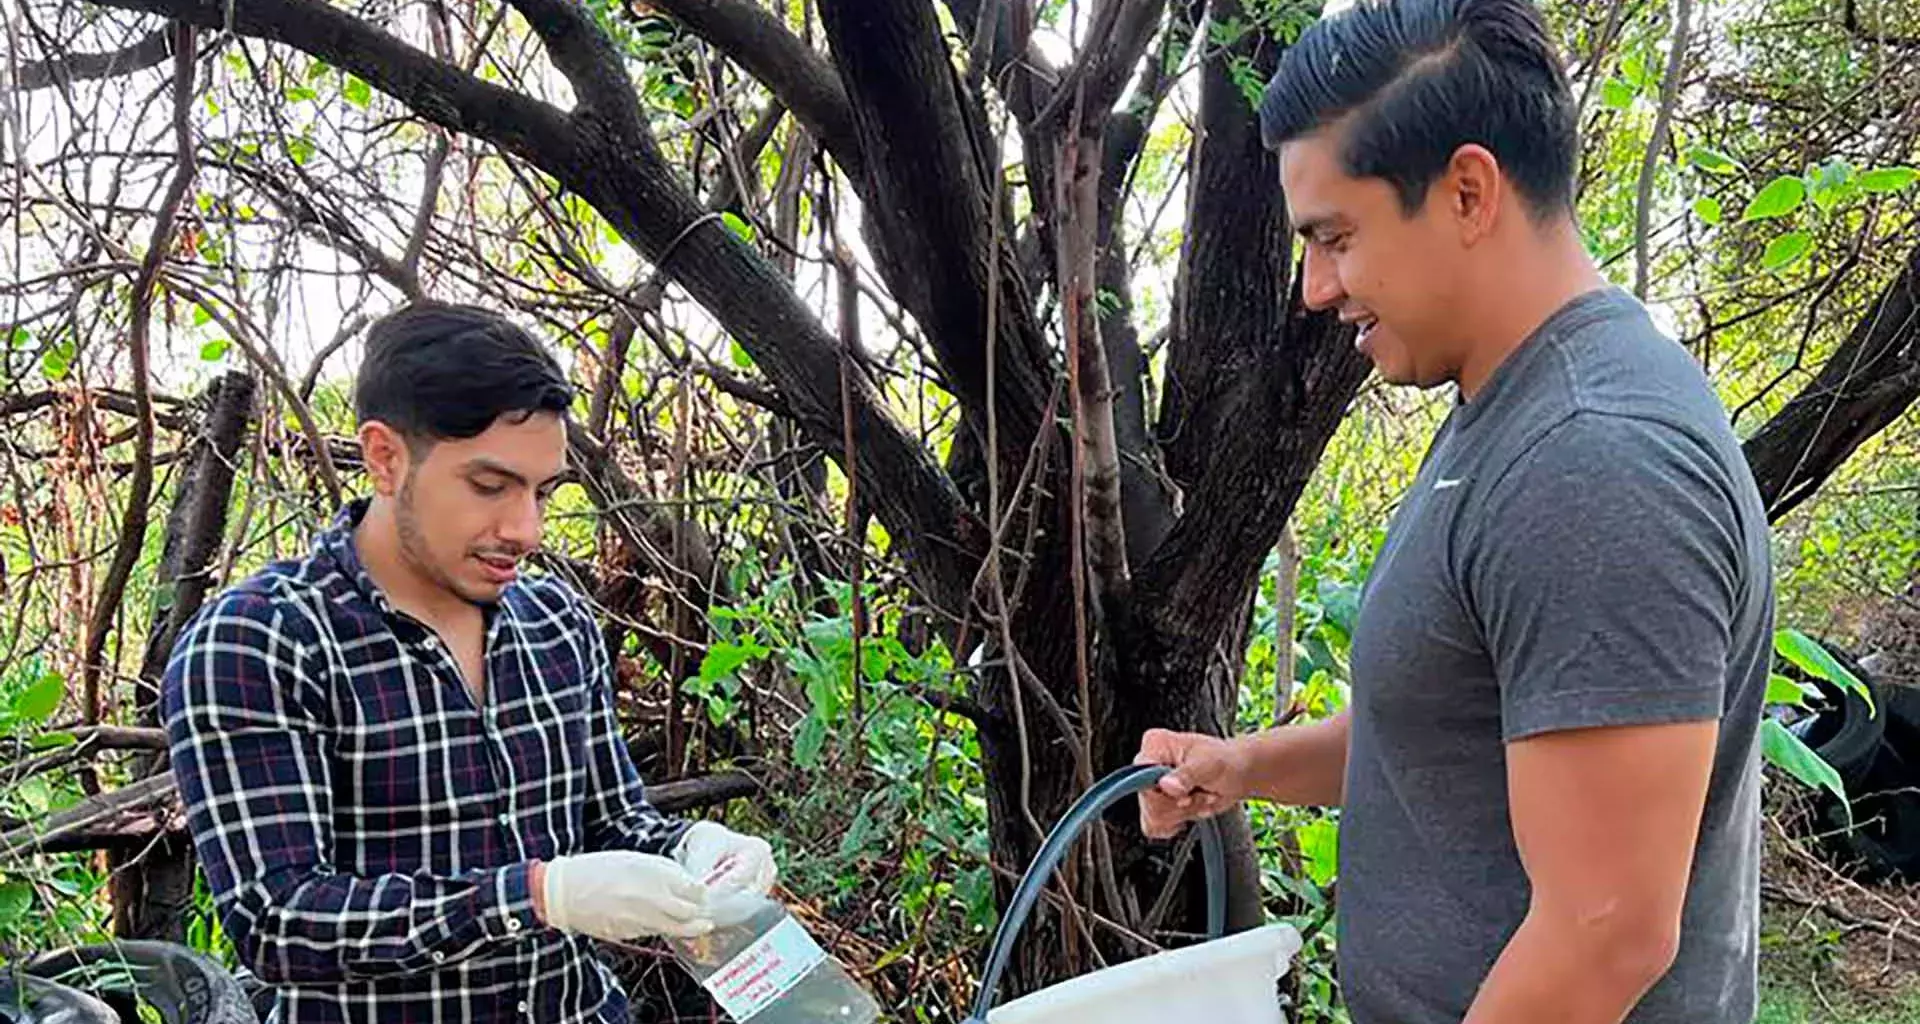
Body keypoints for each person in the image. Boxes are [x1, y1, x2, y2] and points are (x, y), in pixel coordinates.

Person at [1135, 1, 1771, 1022]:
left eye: (1336, 237)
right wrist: (1242, 767)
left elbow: (1605, 934)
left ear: (1469, 191)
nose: (1313, 287)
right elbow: (1451, 724)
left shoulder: (1593, 457)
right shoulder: (1510, 406)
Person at [162, 302, 776, 1024]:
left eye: (543, 491)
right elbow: (279, 919)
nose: (525, 529)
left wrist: (693, 849)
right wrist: (535, 897)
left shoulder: (556, 620)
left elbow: (610, 822)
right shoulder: (259, 641)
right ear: (386, 458)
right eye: (490, 487)